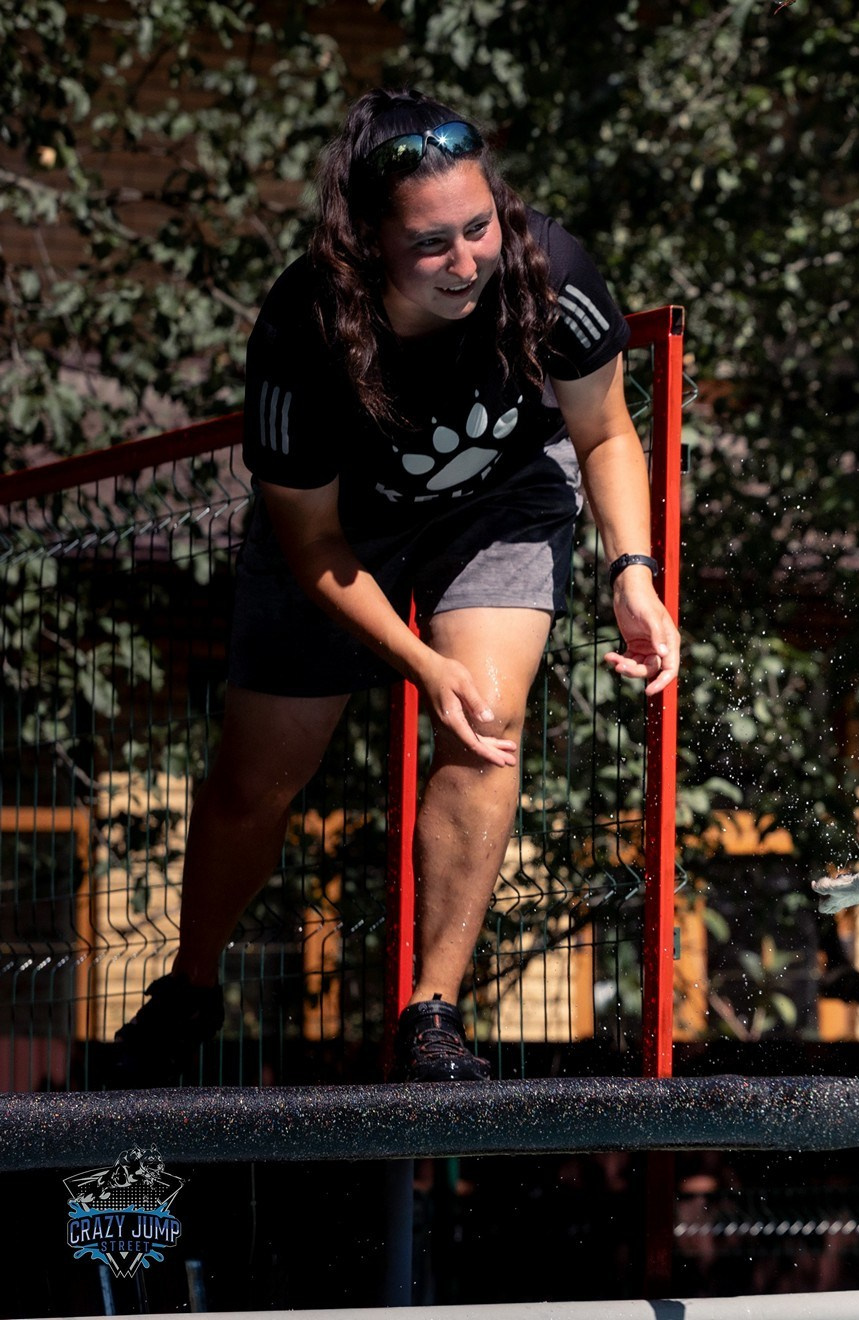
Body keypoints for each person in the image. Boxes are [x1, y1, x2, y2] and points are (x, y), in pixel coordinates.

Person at [108, 89, 678, 1086]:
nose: (468, 263)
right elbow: (314, 541)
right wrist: (417, 662)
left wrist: (632, 571)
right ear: (371, 245)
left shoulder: (553, 273)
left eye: (478, 226)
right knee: (258, 781)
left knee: (484, 719)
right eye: (431, 245)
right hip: (344, 539)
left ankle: (433, 1016)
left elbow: (605, 432)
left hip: (501, 498)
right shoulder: (303, 332)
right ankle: (191, 987)